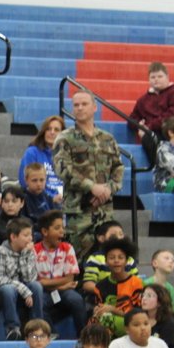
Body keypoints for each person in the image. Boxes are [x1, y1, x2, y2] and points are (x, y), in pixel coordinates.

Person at [53, 90, 124, 255]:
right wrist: (91, 187)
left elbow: (118, 167)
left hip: (104, 210)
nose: (79, 108)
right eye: (76, 105)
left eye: (84, 104)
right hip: (79, 210)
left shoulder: (107, 138)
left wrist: (108, 189)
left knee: (107, 258)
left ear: (94, 107)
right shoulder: (65, 138)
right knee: (78, 260)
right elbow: (62, 169)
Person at [0, 216, 43, 341]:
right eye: (26, 235)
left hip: (19, 290)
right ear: (13, 237)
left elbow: (30, 278)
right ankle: (13, 330)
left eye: (31, 235)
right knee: (8, 289)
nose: (30, 239)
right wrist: (23, 289)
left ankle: (37, 328)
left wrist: (25, 255)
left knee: (37, 286)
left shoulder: (29, 251)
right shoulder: (0, 251)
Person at [129, 61, 174, 163]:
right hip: (155, 134)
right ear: (148, 79)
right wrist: (139, 126)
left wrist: (149, 126)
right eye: (153, 77)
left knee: (165, 137)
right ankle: (162, 168)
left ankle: (173, 168)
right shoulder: (143, 100)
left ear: (167, 77)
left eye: (160, 76)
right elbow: (132, 118)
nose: (156, 80)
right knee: (149, 137)